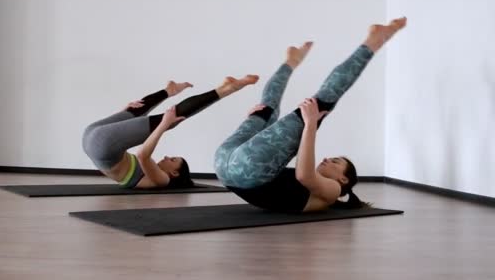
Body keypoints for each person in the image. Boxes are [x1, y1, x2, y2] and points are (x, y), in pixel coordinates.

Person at [214, 17, 407, 212]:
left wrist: (310, 124)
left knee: (322, 103)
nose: (327, 159)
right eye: (334, 159)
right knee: (266, 110)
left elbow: (304, 176)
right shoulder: (329, 189)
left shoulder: (334, 191)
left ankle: (374, 40)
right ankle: (291, 61)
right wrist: (257, 124)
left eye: (335, 161)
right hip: (226, 163)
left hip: (244, 168)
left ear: (343, 179)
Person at [82, 74, 259, 189]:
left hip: (100, 143)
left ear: (174, 173)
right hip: (94, 138)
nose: (166, 157)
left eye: (173, 160)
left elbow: (142, 154)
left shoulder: (162, 180)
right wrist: (124, 113)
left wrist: (164, 126)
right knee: (137, 109)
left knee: (170, 120)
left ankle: (224, 89)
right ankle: (170, 90)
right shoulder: (156, 175)